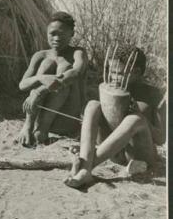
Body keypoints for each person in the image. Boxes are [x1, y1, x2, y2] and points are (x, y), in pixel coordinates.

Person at [64, 46, 166, 188]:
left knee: (135, 119)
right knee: (93, 105)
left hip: (139, 156)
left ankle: (85, 167)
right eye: (111, 72)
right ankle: (85, 164)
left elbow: (161, 138)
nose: (113, 77)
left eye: (119, 73)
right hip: (111, 154)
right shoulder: (108, 88)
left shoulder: (153, 94)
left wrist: (141, 115)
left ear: (136, 72)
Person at [15, 11, 88, 147]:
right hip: (39, 116)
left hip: (66, 119)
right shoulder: (40, 55)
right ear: (46, 33)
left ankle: (42, 130)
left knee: (64, 68)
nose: (56, 38)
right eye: (52, 33)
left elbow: (75, 72)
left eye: (62, 34)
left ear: (71, 33)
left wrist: (39, 91)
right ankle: (28, 126)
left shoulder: (78, 53)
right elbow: (22, 85)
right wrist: (42, 78)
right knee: (47, 63)